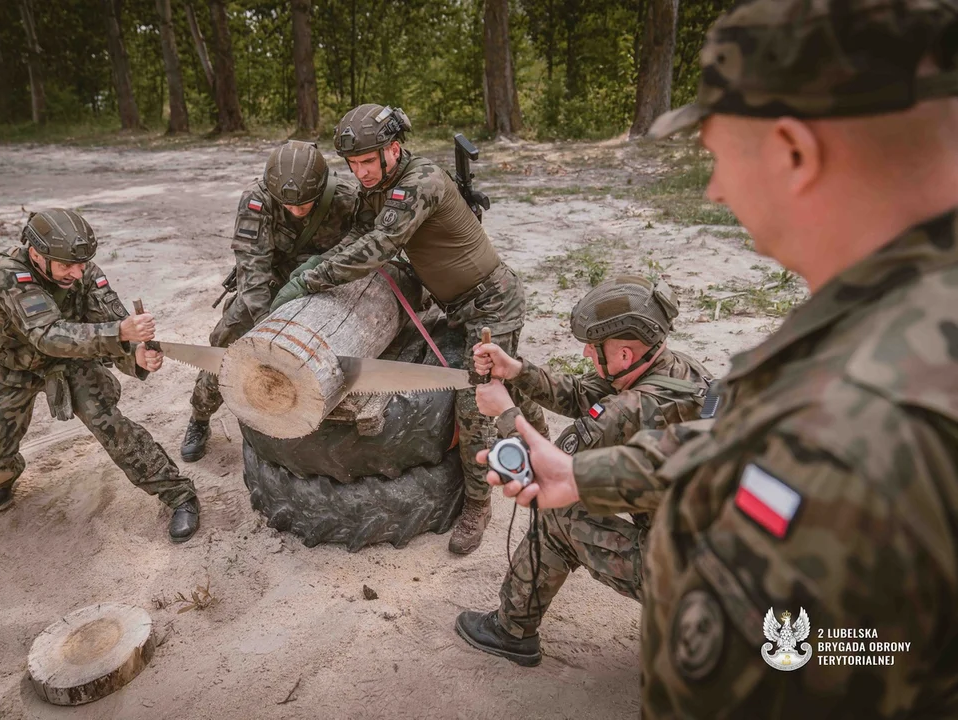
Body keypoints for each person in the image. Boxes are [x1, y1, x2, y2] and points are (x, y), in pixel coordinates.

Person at [486, 0, 958, 714]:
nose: (712, 187)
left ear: (793, 152)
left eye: (716, 153)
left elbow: (815, 656)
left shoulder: (859, 420)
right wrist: (582, 472)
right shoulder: (893, 313)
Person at [270, 103, 549, 555]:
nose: (359, 172)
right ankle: (542, 442)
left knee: (475, 403)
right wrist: (318, 263)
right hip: (457, 302)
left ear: (393, 150)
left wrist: (308, 279)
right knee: (505, 381)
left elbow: (378, 247)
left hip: (490, 303)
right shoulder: (378, 185)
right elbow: (359, 233)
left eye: (366, 161)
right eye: (353, 164)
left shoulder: (420, 182)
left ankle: (477, 505)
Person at [454, 276, 712, 666]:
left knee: (558, 514)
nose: (589, 354)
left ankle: (512, 630)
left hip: (690, 578)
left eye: (595, 348)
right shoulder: (676, 372)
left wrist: (504, 411)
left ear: (625, 354)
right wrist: (517, 371)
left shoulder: (631, 409)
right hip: (721, 558)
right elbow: (582, 393)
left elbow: (545, 474)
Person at [0, 209, 201, 543]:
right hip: (10, 365)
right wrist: (120, 333)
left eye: (82, 263)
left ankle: (178, 494)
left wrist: (137, 357)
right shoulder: (5, 274)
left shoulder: (82, 271)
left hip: (71, 360)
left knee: (107, 421)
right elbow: (48, 335)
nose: (78, 272)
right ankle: (2, 478)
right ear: (36, 255)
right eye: (66, 266)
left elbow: (111, 321)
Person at [180, 141, 360, 462]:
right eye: (287, 204)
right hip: (270, 283)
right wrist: (267, 330)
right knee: (225, 341)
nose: (295, 210)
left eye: (305, 204)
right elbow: (252, 272)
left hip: (322, 282)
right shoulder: (257, 201)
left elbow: (364, 246)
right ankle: (200, 415)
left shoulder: (345, 198)